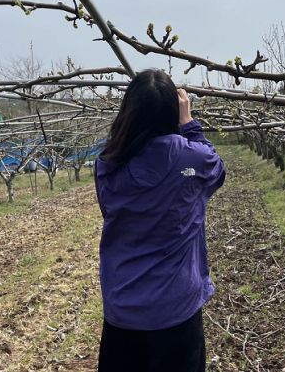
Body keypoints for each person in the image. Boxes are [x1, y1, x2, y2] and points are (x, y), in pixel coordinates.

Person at [94, 69, 225, 372]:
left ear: (128, 113)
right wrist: (189, 124)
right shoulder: (192, 158)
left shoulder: (107, 164)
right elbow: (216, 171)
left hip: (123, 309)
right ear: (173, 112)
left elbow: (109, 211)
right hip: (176, 309)